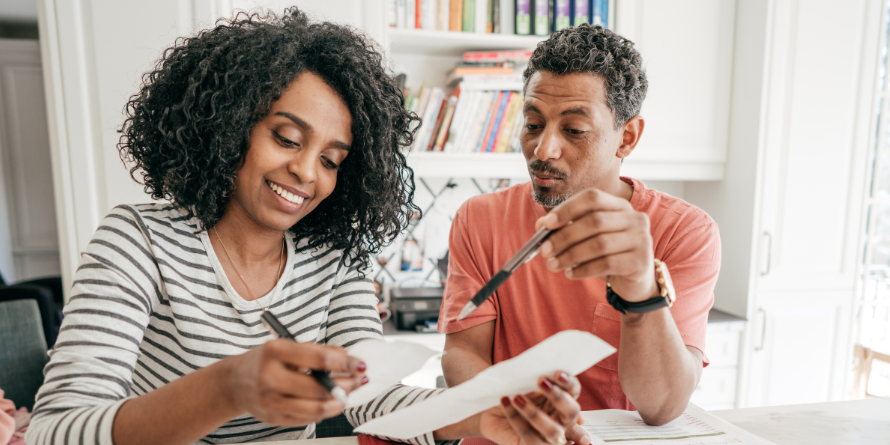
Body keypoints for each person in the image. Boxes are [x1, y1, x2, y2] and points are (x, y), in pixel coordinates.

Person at [26, 9, 589, 445]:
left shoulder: (333, 259)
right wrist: (227, 387)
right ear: (229, 127)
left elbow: (371, 402)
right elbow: (56, 430)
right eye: (288, 139)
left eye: (331, 160)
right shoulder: (137, 243)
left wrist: (482, 416)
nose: (305, 172)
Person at [439, 24, 721, 426]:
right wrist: (515, 419)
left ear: (627, 138)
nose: (543, 149)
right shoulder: (480, 217)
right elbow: (463, 353)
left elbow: (661, 406)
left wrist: (640, 288)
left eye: (574, 131)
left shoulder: (686, 232)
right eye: (533, 124)